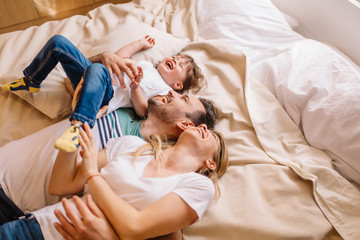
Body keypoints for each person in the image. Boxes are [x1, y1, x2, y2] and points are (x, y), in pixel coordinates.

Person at [0, 118, 229, 239]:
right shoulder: (132, 145)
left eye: (213, 136)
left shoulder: (199, 186)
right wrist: (74, 134)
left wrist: (92, 174)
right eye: (202, 125)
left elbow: (134, 227)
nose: (203, 127)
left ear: (211, 163)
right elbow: (60, 185)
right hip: (37, 226)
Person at [1, 34, 205, 152]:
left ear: (178, 85)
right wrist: (139, 44)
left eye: (181, 66)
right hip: (91, 77)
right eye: (176, 58)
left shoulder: (165, 92)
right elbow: (118, 58)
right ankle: (32, 80)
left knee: (98, 70)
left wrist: (134, 88)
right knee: (58, 42)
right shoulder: (145, 65)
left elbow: (144, 111)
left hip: (104, 96)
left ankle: (78, 126)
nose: (175, 61)